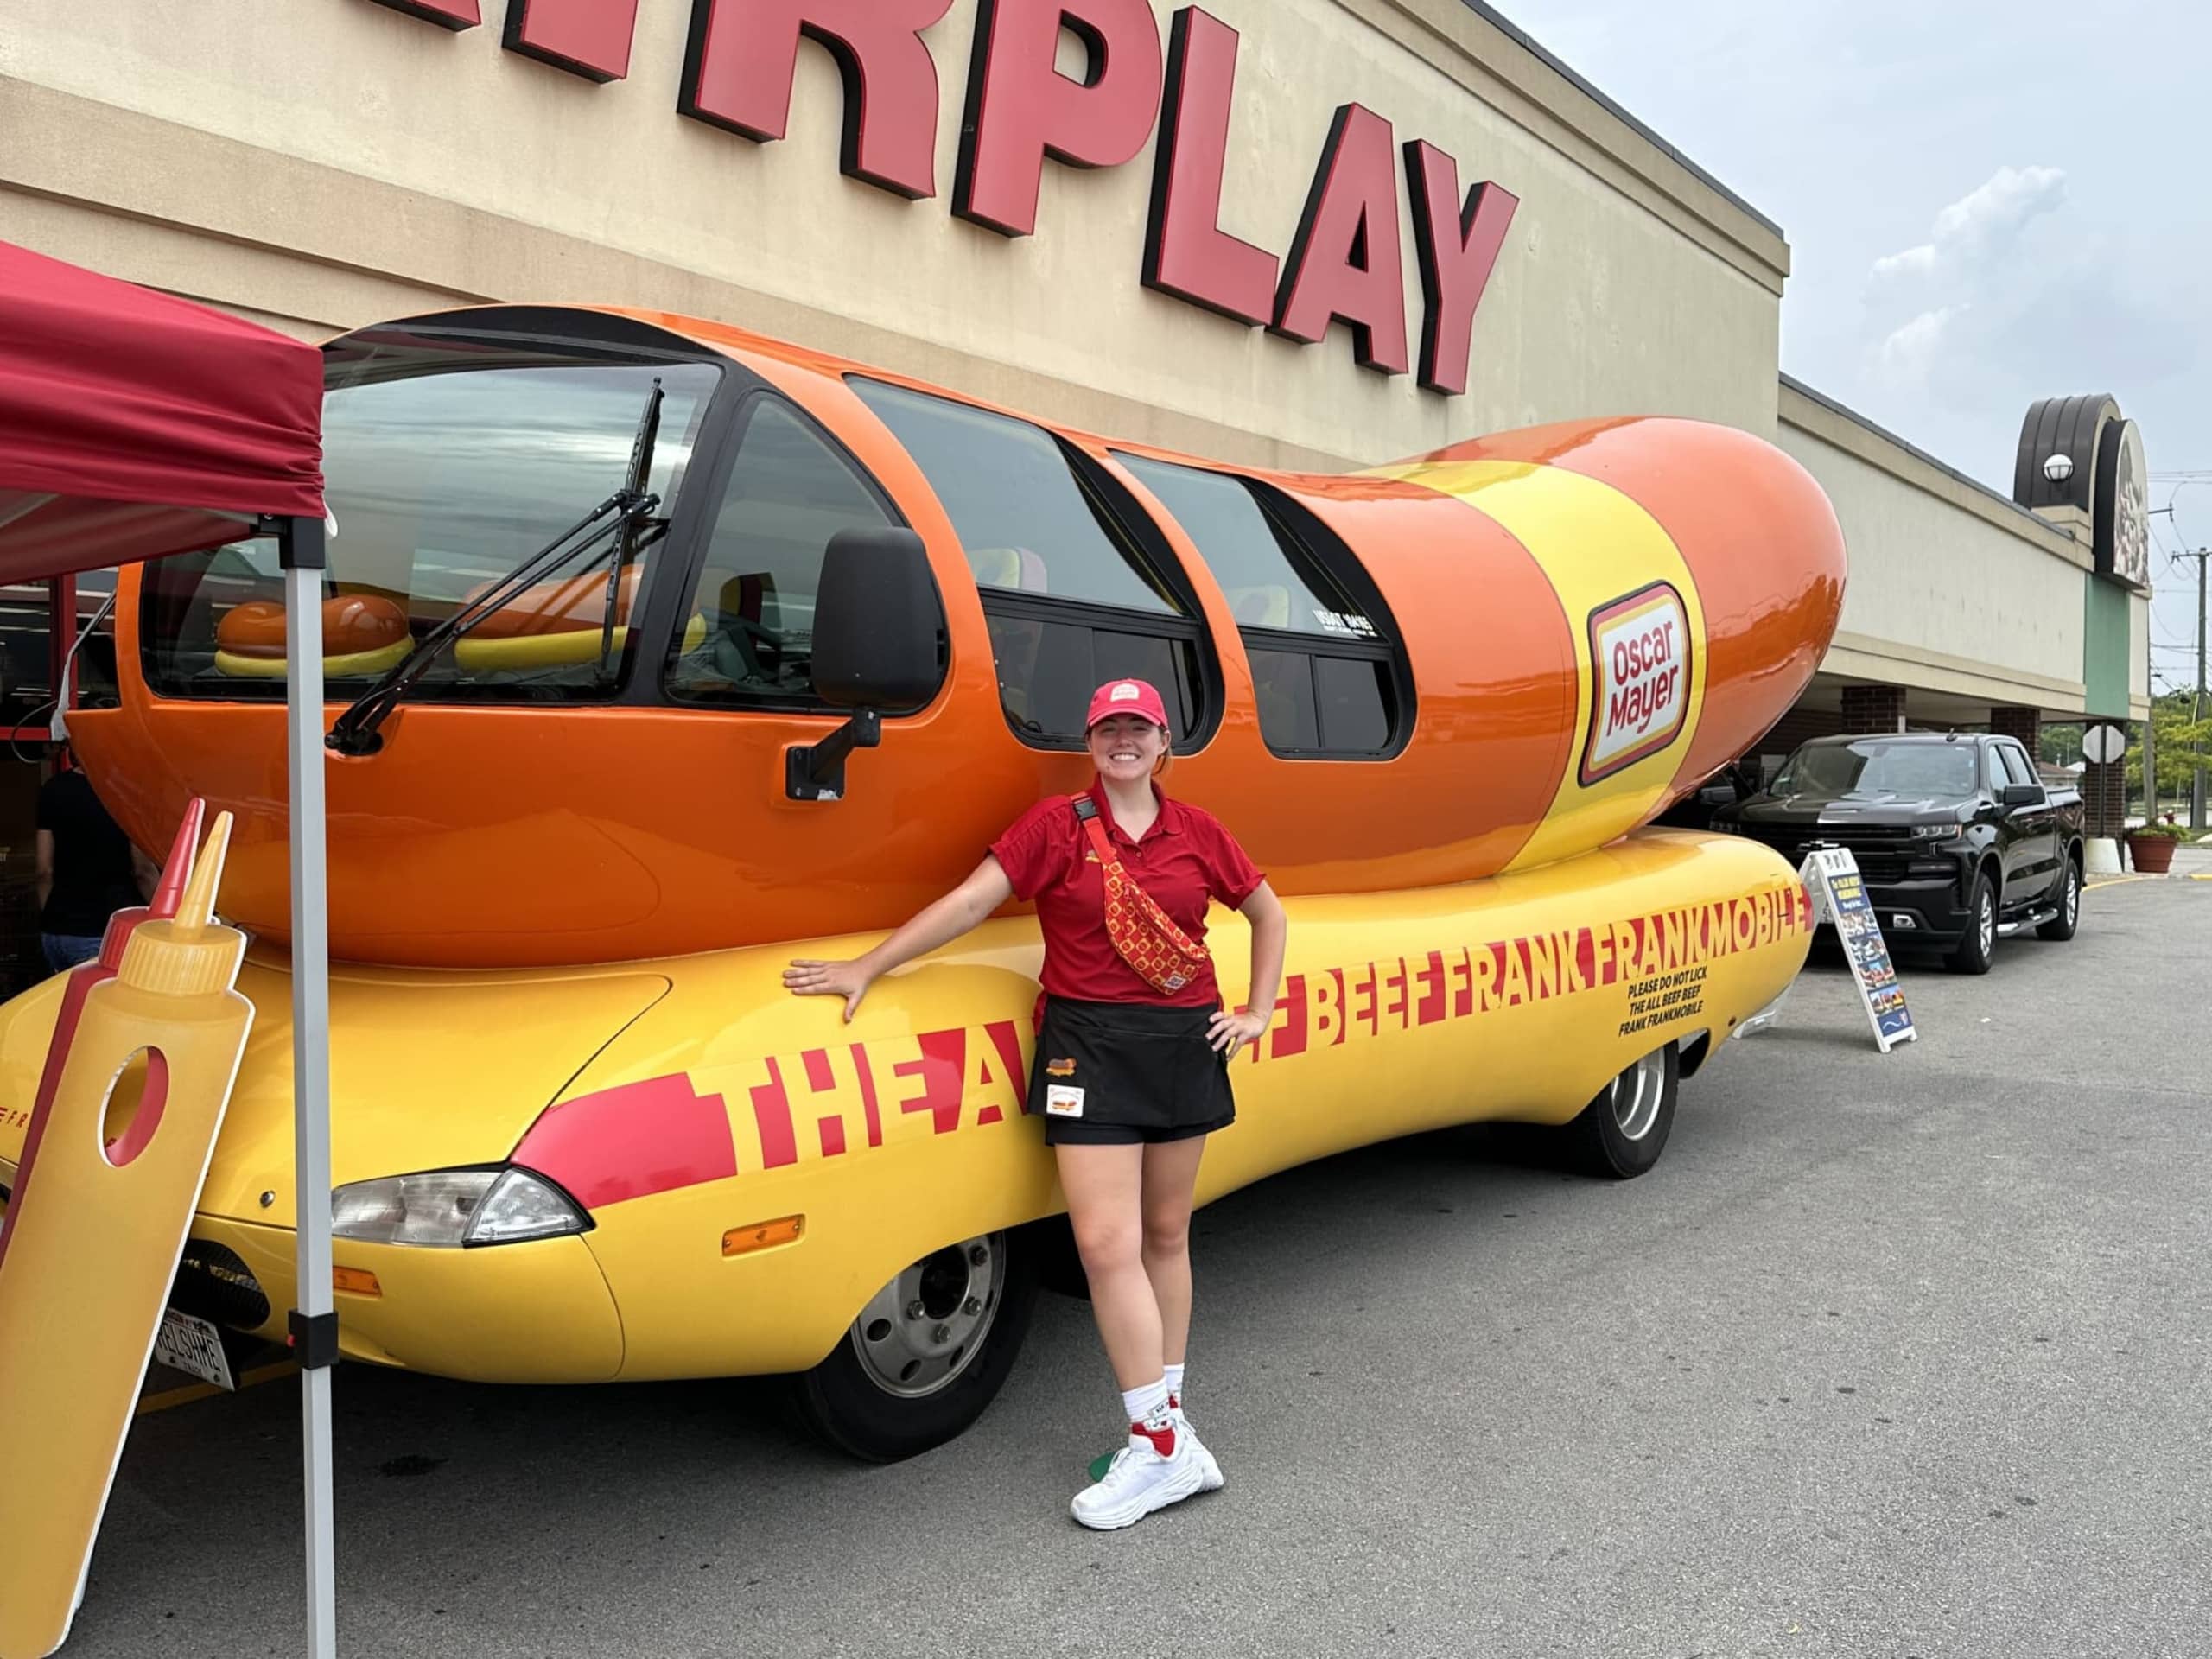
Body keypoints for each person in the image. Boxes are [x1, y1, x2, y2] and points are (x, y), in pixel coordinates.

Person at [785, 677, 1287, 1529]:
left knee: (1165, 1234)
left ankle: (1166, 1438)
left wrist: (1256, 1010)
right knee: (1103, 1243)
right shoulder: (1056, 826)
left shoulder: (1197, 832)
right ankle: (1161, 1446)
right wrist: (871, 965)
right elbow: (972, 902)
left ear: (1164, 744)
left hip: (1179, 1047)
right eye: (1107, 729)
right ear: (1090, 744)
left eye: (1138, 727)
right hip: (1086, 1047)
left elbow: (1268, 914)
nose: (1122, 740)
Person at [35, 760, 154, 976]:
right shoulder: (125, 792)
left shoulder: (53, 788)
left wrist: (52, 917)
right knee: (101, 1006)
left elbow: (44, 871)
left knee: (66, 1004)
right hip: (102, 932)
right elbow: (143, 871)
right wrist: (166, 918)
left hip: (56, 932)